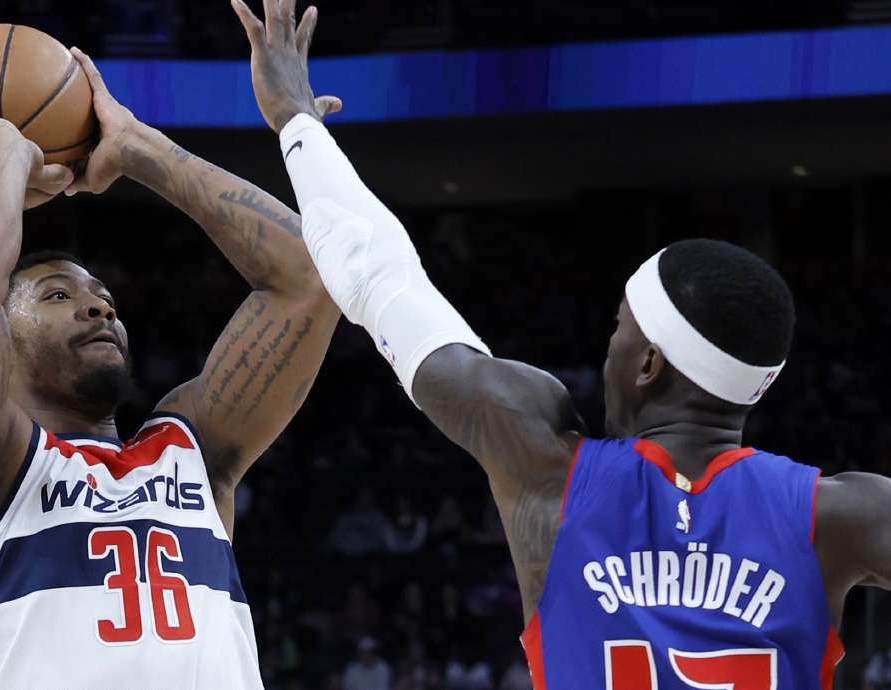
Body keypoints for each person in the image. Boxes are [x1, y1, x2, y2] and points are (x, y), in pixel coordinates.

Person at [231, 0, 891, 686]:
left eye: (619, 327)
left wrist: (295, 122)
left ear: (648, 363)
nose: (608, 347)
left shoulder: (547, 469)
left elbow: (379, 279)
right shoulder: (841, 515)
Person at [0, 46, 339, 688]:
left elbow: (310, 277)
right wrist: (7, 150)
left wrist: (139, 147)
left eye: (105, 298)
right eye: (58, 295)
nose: (97, 308)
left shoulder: (190, 454)